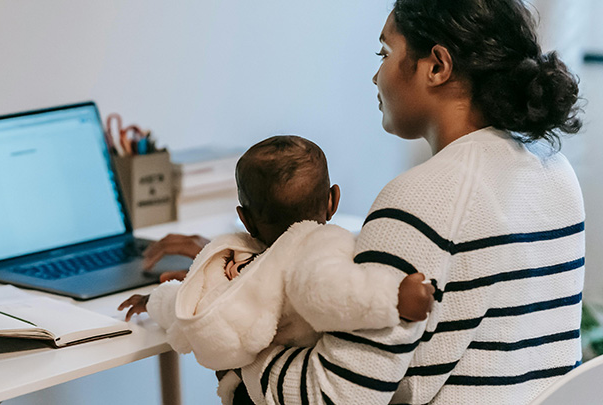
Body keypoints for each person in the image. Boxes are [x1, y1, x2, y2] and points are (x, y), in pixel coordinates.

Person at [139, 1, 586, 404]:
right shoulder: (553, 171)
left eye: (384, 53)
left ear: (436, 66)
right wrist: (257, 269)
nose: (376, 76)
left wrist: (227, 323)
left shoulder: (422, 197)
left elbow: (330, 396)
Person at [120, 135, 435, 404]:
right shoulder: (318, 246)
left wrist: (153, 300)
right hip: (285, 385)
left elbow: (189, 306)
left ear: (245, 219)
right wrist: (395, 297)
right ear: (333, 201)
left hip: (247, 389)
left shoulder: (237, 265)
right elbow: (333, 294)